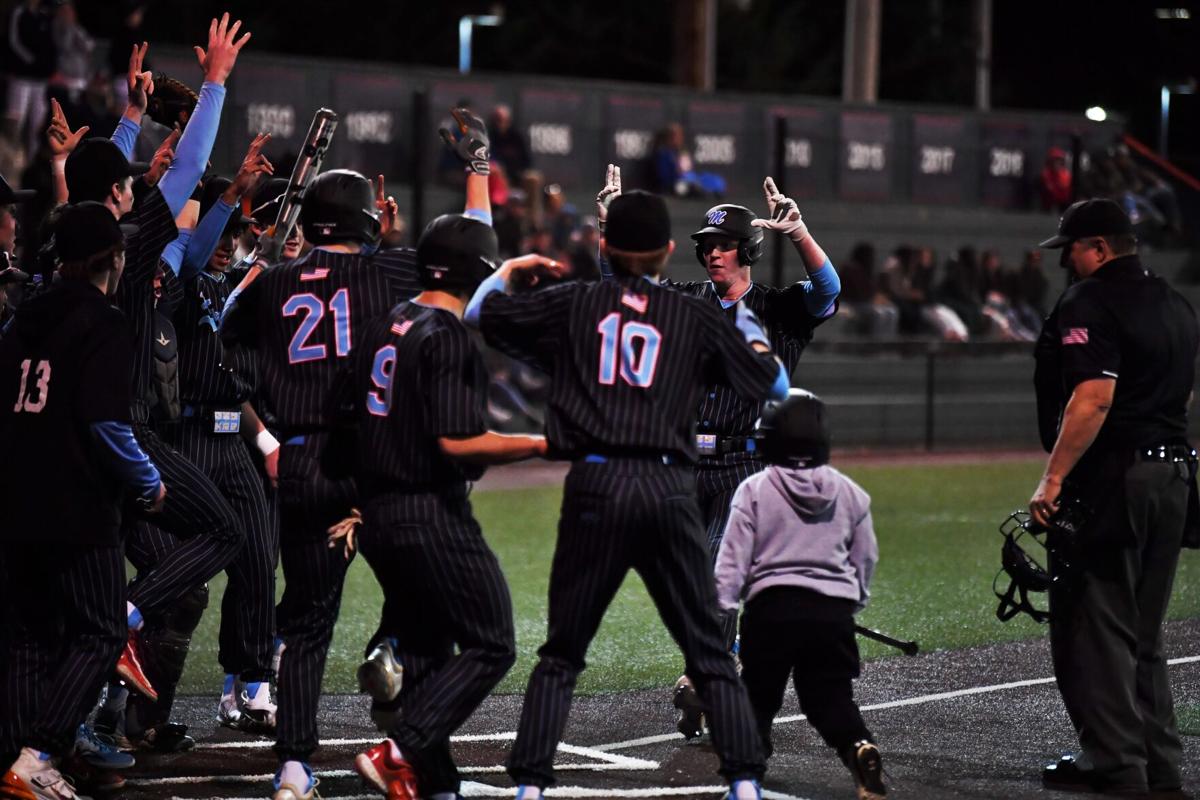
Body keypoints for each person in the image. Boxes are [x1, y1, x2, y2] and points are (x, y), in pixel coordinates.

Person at [467, 188, 789, 800]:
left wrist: (507, 271)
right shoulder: (694, 314)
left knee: (562, 653)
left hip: (596, 485)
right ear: (669, 251)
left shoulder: (576, 302)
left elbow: (480, 316)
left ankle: (529, 788)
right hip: (670, 486)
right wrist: (743, 319)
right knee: (708, 650)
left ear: (606, 245)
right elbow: (771, 382)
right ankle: (745, 782)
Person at [594, 166, 841, 735]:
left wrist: (800, 233)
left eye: (724, 246)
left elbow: (828, 292)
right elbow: (621, 286)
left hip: (746, 465)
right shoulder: (683, 300)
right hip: (683, 463)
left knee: (714, 568)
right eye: (706, 246)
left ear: (748, 249)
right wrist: (609, 229)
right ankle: (722, 668)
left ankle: (706, 674)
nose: (713, 255)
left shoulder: (779, 310)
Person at [348, 216, 551, 800]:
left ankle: (436, 786)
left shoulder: (387, 322)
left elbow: (349, 418)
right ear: (479, 270)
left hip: (378, 516)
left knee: (430, 654)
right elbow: (458, 443)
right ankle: (400, 750)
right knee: (492, 641)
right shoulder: (449, 336)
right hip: (429, 513)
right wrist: (543, 443)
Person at [1030, 198, 1199, 798]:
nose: (1067, 262)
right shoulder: (1174, 301)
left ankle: (1113, 764)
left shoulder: (1091, 300)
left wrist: (1052, 480)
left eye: (1072, 249)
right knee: (1144, 632)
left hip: (1116, 479)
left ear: (1098, 247)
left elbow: (1093, 399)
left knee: (1096, 625)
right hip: (1173, 474)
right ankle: (1159, 766)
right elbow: (1181, 397)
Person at [0, 202, 165, 800]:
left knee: (27, 638)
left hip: (16, 503)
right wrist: (149, 482)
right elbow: (106, 427)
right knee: (99, 632)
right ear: (111, 259)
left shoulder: (23, 316)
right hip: (76, 506)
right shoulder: (105, 320)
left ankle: (15, 760)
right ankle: (39, 752)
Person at [715, 388, 886, 800]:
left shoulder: (753, 490)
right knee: (828, 696)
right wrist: (852, 601)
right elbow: (865, 558)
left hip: (770, 612)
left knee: (757, 696)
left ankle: (747, 777)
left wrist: (720, 607)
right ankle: (858, 746)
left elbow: (731, 561)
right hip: (830, 614)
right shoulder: (850, 492)